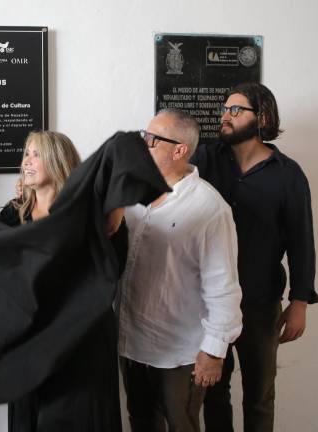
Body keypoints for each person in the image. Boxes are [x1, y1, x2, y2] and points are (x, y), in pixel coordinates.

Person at [192, 83, 318, 432]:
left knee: (259, 396)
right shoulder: (204, 160)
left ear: (262, 118)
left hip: (260, 304)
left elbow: (301, 241)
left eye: (236, 110)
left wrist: (299, 302)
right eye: (224, 109)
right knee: (213, 393)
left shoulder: (288, 174)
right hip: (210, 303)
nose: (225, 116)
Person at [117, 109, 243, 432]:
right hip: (132, 341)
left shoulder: (210, 208)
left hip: (180, 350)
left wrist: (214, 352)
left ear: (179, 150)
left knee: (181, 425)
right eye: (144, 136)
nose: (144, 145)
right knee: (141, 422)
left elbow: (223, 287)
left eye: (152, 140)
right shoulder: (131, 193)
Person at [0, 131, 124, 432]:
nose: (27, 161)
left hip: (83, 338)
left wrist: (113, 214)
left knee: (82, 416)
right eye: (26, 154)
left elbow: (113, 270)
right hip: (32, 339)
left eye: (36, 154)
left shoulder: (94, 212)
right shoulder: (13, 214)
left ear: (57, 160)